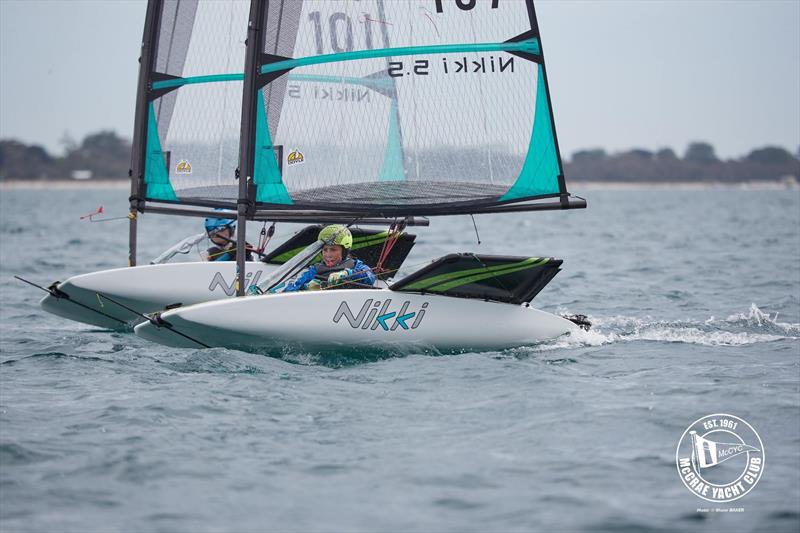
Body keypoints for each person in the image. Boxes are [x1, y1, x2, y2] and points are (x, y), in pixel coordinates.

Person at [283, 225, 376, 292]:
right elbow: (288, 290)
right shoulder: (314, 270)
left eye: (333, 250)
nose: (328, 254)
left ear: (344, 251)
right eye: (325, 250)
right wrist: (305, 288)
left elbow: (370, 277)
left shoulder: (355, 265)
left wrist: (347, 273)